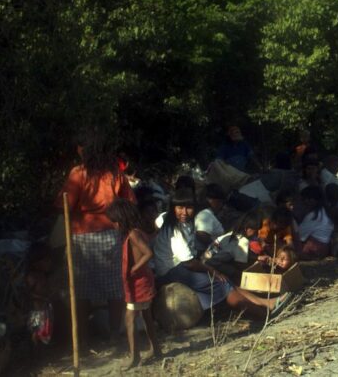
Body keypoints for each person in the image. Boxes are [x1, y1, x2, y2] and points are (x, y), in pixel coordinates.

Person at [154, 189, 288, 317]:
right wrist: (212, 271)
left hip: (183, 267)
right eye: (180, 208)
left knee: (226, 280)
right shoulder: (174, 229)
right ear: (173, 208)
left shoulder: (185, 223)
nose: (184, 212)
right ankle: (261, 314)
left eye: (188, 207)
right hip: (172, 271)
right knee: (220, 283)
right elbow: (189, 263)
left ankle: (266, 303)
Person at [56, 130, 135, 342]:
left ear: (85, 150)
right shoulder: (114, 174)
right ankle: (114, 333)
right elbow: (130, 202)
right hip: (112, 235)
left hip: (82, 236)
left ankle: (81, 336)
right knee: (114, 287)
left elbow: (63, 204)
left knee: (81, 288)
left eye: (80, 148)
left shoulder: (78, 173)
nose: (78, 152)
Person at [106, 199, 160, 368]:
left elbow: (148, 253)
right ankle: (156, 349)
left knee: (129, 318)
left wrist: (133, 270)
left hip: (139, 283)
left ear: (121, 220)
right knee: (146, 316)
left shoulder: (134, 234)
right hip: (140, 281)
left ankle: (134, 356)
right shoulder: (135, 233)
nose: (114, 226)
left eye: (115, 222)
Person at [295, 186, 334, 259]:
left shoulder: (313, 216)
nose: (303, 202)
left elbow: (299, 235)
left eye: (304, 199)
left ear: (312, 200)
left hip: (315, 250)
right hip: (324, 249)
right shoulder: (324, 212)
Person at [194, 184, 227, 255]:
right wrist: (214, 244)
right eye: (219, 201)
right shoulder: (206, 214)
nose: (221, 204)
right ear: (210, 199)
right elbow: (201, 233)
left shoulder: (207, 213)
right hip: (201, 252)